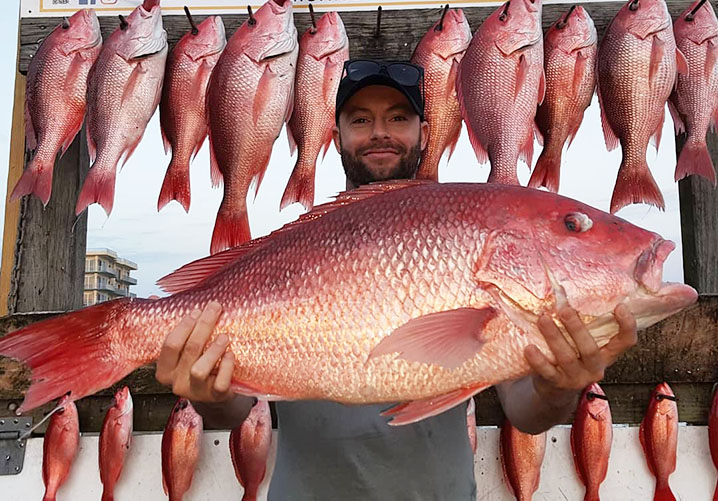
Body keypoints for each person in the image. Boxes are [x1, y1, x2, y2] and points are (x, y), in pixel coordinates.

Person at [155, 59, 638, 500]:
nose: (379, 132)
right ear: (336, 134)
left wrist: (559, 389)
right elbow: (230, 413)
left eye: (398, 118)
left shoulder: (471, 235)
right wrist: (208, 395)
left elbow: (527, 412)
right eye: (360, 119)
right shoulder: (294, 246)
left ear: (425, 132)